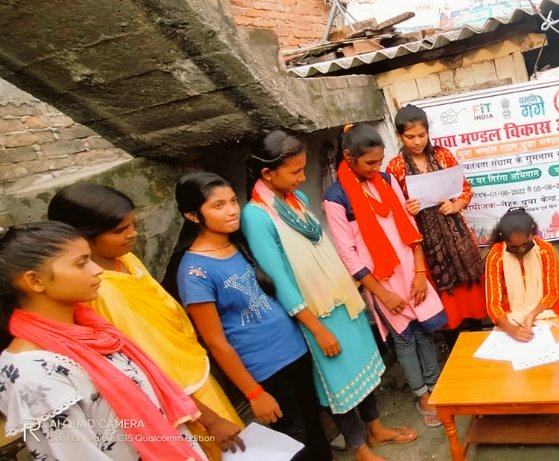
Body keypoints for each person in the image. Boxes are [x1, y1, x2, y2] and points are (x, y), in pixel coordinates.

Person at [241, 130, 416, 461]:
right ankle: (359, 447)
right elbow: (280, 280)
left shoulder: (298, 199)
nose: (302, 178)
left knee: (362, 366)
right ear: (267, 173)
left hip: (342, 300)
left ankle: (375, 429)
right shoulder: (255, 215)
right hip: (315, 313)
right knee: (338, 382)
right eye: (295, 171)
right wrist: (317, 329)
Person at [47, 183, 244, 459]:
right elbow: (141, 366)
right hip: (177, 402)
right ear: (83, 237)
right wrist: (207, 418)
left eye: (133, 224)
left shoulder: (126, 258)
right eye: (120, 230)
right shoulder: (96, 293)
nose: (133, 234)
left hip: (193, 373)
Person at [0, 222, 213, 460]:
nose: (96, 270)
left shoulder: (94, 331)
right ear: (35, 281)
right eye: (81, 263)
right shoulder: (32, 375)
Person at [172, 172, 333, 461]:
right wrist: (254, 393)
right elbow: (216, 342)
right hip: (265, 368)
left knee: (313, 419)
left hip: (295, 350)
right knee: (293, 436)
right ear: (193, 215)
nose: (232, 210)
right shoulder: (194, 272)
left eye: (233, 201)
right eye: (218, 205)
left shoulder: (239, 243)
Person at [324, 124, 447, 428]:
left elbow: (409, 227)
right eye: (370, 163)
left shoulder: (387, 180)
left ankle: (436, 385)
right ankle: (421, 394)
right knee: (404, 338)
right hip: (381, 281)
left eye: (379, 161)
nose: (376, 168)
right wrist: (382, 294)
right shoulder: (336, 197)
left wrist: (420, 272)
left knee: (425, 331)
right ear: (348, 156)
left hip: (410, 270)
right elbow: (347, 253)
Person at [385, 105, 488, 333]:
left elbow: (465, 190)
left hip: (457, 237)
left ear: (428, 132)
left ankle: (476, 335)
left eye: (421, 135)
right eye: (410, 137)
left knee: (469, 292)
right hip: (426, 244)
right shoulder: (395, 167)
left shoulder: (443, 155)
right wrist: (407, 209)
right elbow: (394, 209)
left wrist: (455, 205)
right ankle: (453, 343)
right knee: (445, 301)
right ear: (399, 136)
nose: (417, 142)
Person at [483, 208, 559, 342]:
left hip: (543, 313)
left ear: (532, 233)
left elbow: (552, 293)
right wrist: (511, 329)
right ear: (504, 238)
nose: (521, 249)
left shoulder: (545, 250)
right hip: (510, 318)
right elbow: (493, 304)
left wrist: (531, 315)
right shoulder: (496, 255)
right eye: (514, 247)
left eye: (526, 244)